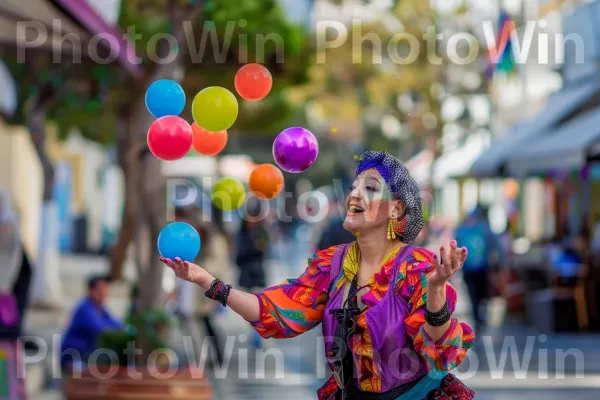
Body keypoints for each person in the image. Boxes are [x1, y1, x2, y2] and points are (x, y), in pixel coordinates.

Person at [162, 151, 475, 399]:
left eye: (369, 188)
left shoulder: (415, 267)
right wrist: (209, 282)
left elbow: (441, 350)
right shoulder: (333, 266)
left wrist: (435, 288)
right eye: (354, 186)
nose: (354, 194)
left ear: (396, 209)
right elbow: (275, 311)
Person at [454, 205, 503, 333]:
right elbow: (496, 246)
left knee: (474, 295)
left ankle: (477, 318)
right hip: (482, 267)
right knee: (482, 295)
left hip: (469, 269)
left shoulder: (461, 230)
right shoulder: (484, 228)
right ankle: (481, 317)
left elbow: (455, 248)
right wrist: (500, 261)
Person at [61, 275, 123, 370]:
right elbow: (100, 329)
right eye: (100, 289)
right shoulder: (85, 308)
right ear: (90, 290)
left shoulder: (101, 309)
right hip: (75, 357)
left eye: (105, 289)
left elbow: (117, 324)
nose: (104, 293)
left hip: (88, 355)